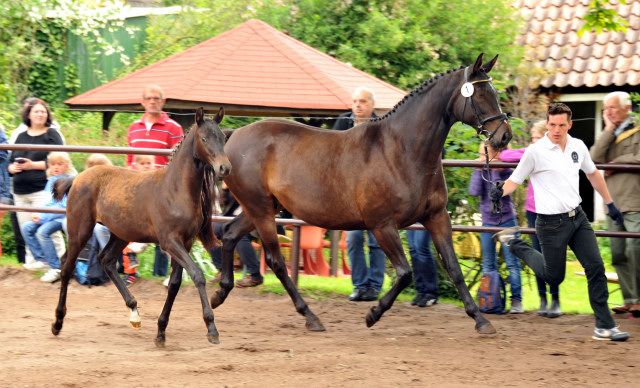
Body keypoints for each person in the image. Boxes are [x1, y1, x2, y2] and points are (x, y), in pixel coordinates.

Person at [493, 102, 630, 341]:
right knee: (554, 276)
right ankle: (514, 242)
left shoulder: (577, 146)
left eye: (561, 125)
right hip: (550, 224)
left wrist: (610, 204)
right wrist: (499, 192)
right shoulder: (535, 151)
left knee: (596, 267)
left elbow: (593, 174)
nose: (556, 130)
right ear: (547, 123)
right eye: (552, 124)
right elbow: (515, 180)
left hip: (577, 218)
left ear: (570, 125)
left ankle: (604, 326)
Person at [500, 121, 562, 318]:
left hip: (551, 211)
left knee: (551, 255)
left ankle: (555, 299)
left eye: (538, 137)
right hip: (533, 211)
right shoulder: (532, 152)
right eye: (533, 138)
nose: (534, 142)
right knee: (536, 255)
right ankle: (543, 299)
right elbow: (504, 155)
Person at [333, 86, 386, 301]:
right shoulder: (343, 122)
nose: (357, 105)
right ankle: (359, 285)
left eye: (362, 101)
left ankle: (374, 286)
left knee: (377, 240)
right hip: (350, 194)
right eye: (355, 101)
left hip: (376, 192)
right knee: (354, 238)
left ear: (372, 105)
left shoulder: (382, 125)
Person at [590, 91, 640, 317]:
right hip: (612, 203)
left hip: (635, 200)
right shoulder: (607, 134)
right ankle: (631, 300)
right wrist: (608, 130)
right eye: (605, 108)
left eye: (612, 108)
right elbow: (592, 158)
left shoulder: (637, 129)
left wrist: (615, 163)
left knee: (636, 249)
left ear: (627, 109)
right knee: (618, 253)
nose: (607, 112)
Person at [127, 85, 184, 280]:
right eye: (149, 98)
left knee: (166, 231)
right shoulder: (134, 127)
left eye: (156, 98)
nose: (152, 101)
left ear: (162, 101)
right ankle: (130, 272)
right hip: (138, 187)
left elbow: (179, 160)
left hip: (162, 188)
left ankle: (170, 274)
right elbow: (129, 160)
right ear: (142, 102)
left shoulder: (173, 127)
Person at [8, 98, 65, 268]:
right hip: (20, 191)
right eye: (36, 111)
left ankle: (61, 262)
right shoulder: (20, 135)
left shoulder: (52, 134)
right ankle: (35, 263)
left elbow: (60, 161)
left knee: (48, 228)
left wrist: (32, 165)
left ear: (47, 114)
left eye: (43, 111)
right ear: (29, 115)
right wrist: (13, 168)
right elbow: (10, 161)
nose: (40, 114)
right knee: (27, 229)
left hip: (43, 189)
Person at [469, 141, 523, 314]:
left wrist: (494, 170)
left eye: (484, 155)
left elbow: (496, 192)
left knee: (512, 263)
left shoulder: (507, 170)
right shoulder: (481, 169)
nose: (480, 158)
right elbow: (474, 191)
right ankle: (488, 299)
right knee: (488, 263)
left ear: (496, 155)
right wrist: (479, 170)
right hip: (487, 222)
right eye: (480, 154)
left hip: (506, 220)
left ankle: (516, 302)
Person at [21, 152, 77, 282]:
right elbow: (47, 202)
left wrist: (43, 217)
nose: (55, 167)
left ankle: (56, 268)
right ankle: (42, 260)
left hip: (62, 217)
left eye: (60, 164)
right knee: (26, 227)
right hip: (48, 215)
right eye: (52, 164)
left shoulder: (69, 181)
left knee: (42, 232)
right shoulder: (51, 180)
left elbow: (64, 207)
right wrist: (39, 214)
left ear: (67, 165)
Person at [207, 182, 264, 287]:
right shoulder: (232, 180)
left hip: (252, 221)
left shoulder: (253, 180)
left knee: (236, 233)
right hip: (231, 220)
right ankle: (222, 270)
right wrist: (225, 189)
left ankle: (255, 275)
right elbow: (222, 203)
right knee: (209, 230)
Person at [406, 229, 439, 307]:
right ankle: (421, 292)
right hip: (409, 217)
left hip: (423, 217)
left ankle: (431, 293)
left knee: (421, 248)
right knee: (413, 250)